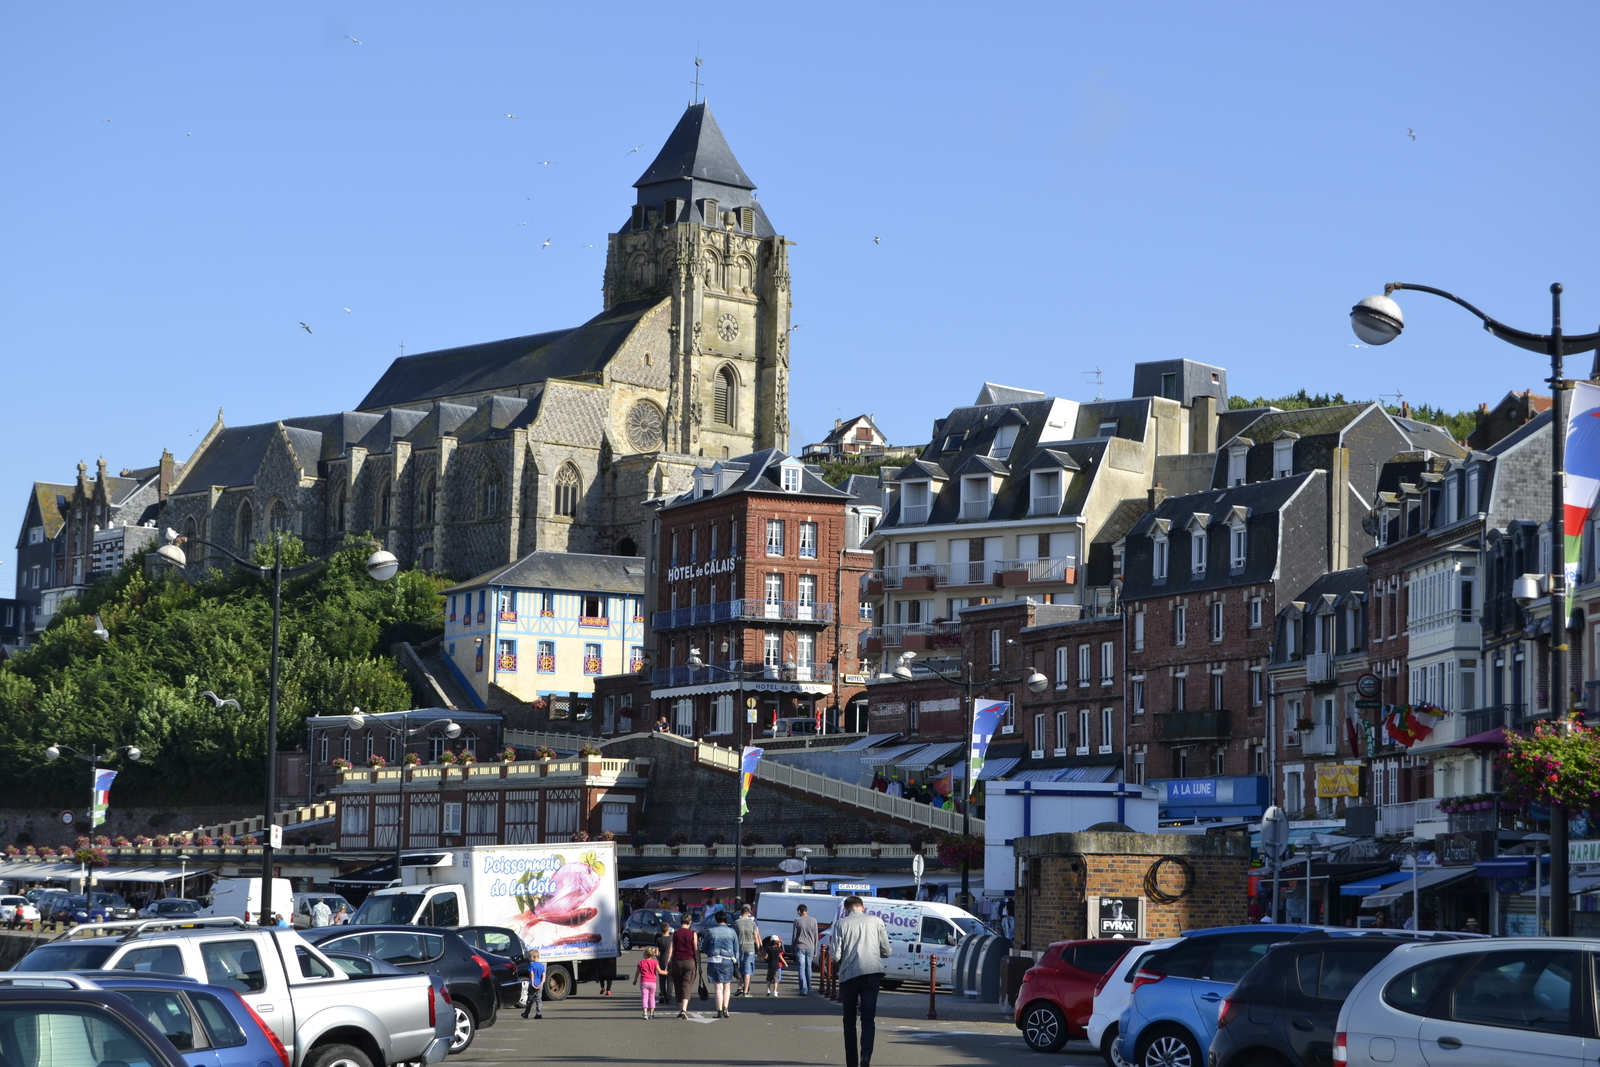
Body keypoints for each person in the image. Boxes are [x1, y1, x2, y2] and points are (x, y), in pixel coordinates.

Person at [829, 895, 891, 1067]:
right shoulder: (876, 921)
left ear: (847, 909)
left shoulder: (841, 924)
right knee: (868, 1018)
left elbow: (835, 956)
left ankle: (852, 1062)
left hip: (849, 976)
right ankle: (866, 1057)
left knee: (849, 1020)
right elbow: (887, 950)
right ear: (862, 907)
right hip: (872, 973)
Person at [702, 911, 740, 1019]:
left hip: (714, 960)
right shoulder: (732, 932)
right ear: (726, 920)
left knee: (718, 987)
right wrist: (736, 963)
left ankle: (719, 1011)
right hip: (728, 960)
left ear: (716, 919)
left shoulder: (711, 931)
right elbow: (736, 949)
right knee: (727, 986)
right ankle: (726, 1009)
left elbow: (704, 947)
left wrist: (709, 952)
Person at [669, 914, 700, 1019]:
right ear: (690, 922)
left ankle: (680, 1007)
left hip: (677, 961)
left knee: (677, 984)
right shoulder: (693, 934)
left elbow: (671, 948)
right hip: (689, 961)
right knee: (686, 985)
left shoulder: (676, 933)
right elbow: (695, 949)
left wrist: (667, 962)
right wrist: (698, 962)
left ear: (680, 922)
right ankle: (684, 1009)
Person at [733, 904, 760, 997]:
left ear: (741, 912)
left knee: (739, 969)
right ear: (748, 912)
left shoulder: (736, 923)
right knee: (748, 970)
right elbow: (756, 937)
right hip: (750, 948)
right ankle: (746, 991)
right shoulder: (752, 923)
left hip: (739, 948)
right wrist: (759, 949)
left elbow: (734, 937)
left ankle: (739, 987)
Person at [792, 903, 819, 995]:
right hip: (810, 947)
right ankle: (809, 986)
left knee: (801, 968)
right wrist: (816, 949)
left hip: (800, 946)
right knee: (808, 967)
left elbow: (794, 936)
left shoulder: (797, 920)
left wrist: (793, 948)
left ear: (799, 911)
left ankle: (803, 989)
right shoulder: (814, 920)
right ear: (806, 911)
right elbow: (816, 936)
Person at [634, 945, 661, 1019]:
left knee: (645, 998)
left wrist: (635, 980)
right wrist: (666, 972)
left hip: (644, 982)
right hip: (653, 983)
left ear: (645, 954)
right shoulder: (655, 962)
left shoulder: (641, 963)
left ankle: (645, 1013)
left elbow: (637, 973)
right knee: (652, 998)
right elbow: (659, 971)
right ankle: (652, 1014)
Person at [655, 922, 677, 1003]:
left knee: (662, 979)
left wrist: (659, 958)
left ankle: (663, 995)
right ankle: (669, 996)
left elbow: (656, 953)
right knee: (670, 979)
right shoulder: (672, 938)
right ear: (668, 929)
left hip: (662, 960)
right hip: (671, 960)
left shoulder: (659, 939)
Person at [522, 949, 545, 1019]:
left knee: (530, 1000)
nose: (529, 959)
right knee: (539, 1000)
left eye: (530, 957)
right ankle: (539, 1013)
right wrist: (541, 983)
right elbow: (544, 975)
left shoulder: (531, 965)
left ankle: (526, 1014)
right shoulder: (541, 965)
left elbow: (532, 974)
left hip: (532, 985)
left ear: (534, 957)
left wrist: (532, 983)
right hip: (540, 985)